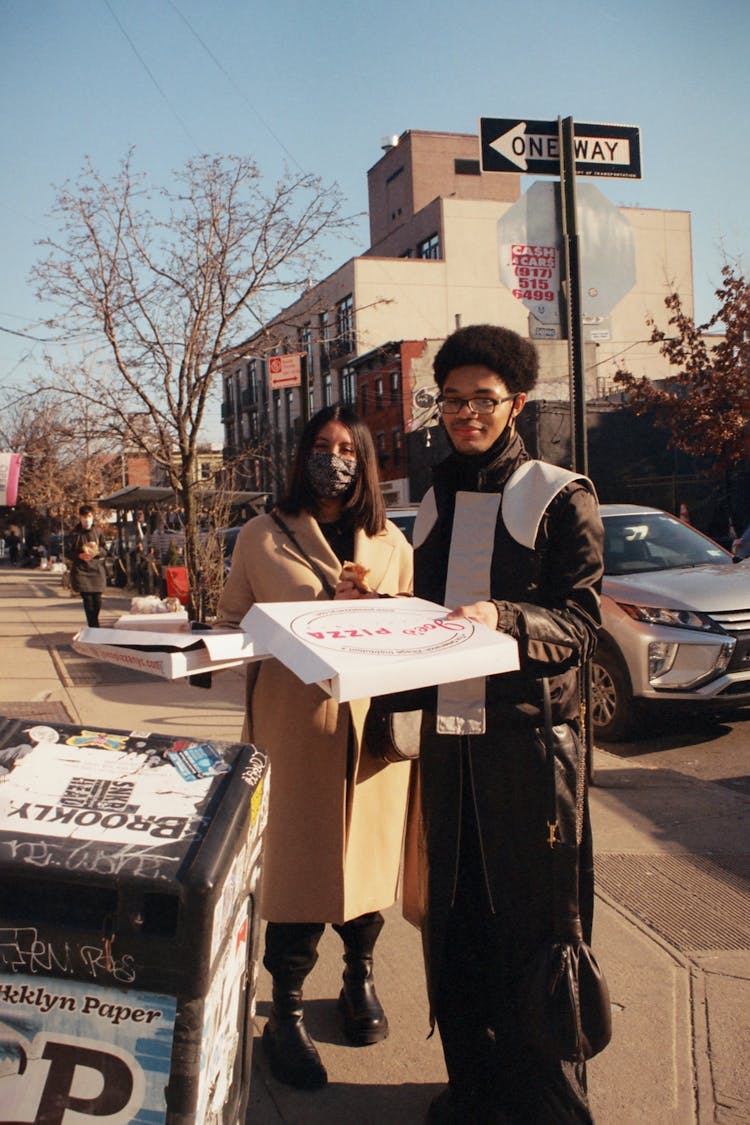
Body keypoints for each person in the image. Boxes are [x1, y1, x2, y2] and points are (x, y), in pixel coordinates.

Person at [404, 325, 605, 1124]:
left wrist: (504, 619)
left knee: (539, 926)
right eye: (451, 399)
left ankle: (549, 1104)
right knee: (458, 925)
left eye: (481, 399)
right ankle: (475, 1086)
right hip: (452, 747)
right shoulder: (434, 497)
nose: (465, 413)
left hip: (532, 751)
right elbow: (426, 618)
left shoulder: (558, 493)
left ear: (514, 401)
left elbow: (581, 627)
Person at [216, 403, 413, 1091]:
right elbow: (230, 625)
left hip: (370, 742)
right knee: (297, 883)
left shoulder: (390, 542)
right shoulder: (261, 536)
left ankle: (359, 975)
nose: (334, 458)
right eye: (322, 446)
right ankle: (287, 1012)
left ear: (366, 460)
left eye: (348, 448)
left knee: (363, 878)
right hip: (295, 733)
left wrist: (374, 612)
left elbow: (414, 633)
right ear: (302, 456)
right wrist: (302, 623)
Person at [66, 504, 107, 627]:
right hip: (81, 571)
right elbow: (67, 552)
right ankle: (94, 626)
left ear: (93, 516)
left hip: (96, 571)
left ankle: (94, 623)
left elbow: (105, 549)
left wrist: (97, 552)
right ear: (80, 517)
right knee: (88, 601)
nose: (86, 519)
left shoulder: (98, 532)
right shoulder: (74, 534)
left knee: (97, 601)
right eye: (84, 516)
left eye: (89, 516)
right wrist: (79, 555)